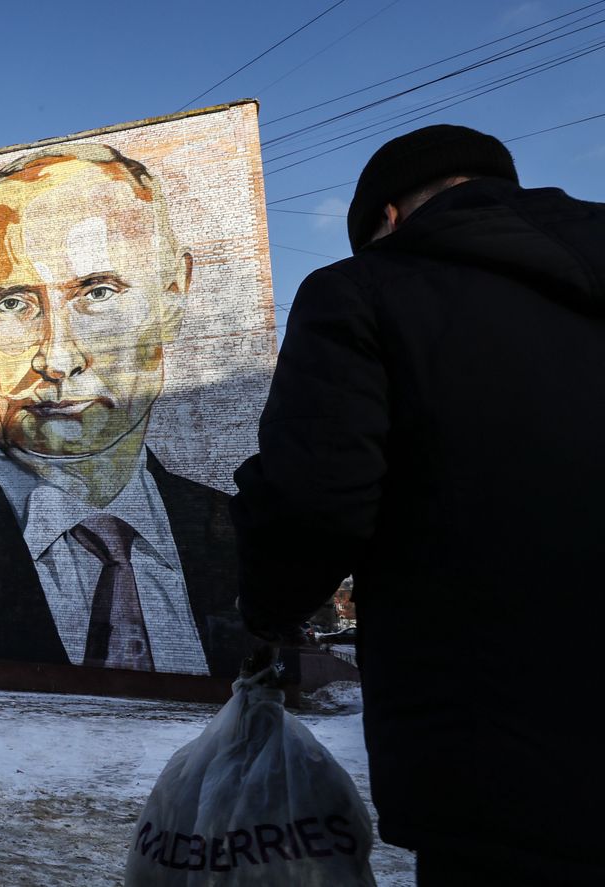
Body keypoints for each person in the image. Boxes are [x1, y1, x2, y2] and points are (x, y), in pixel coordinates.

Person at [230, 125, 605, 885]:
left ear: (389, 217)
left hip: (505, 756)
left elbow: (315, 497)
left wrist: (267, 611)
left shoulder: (362, 292)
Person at [0, 143, 249, 678]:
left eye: (99, 292)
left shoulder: (236, 533)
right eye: (11, 304)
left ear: (172, 297)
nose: (57, 358)